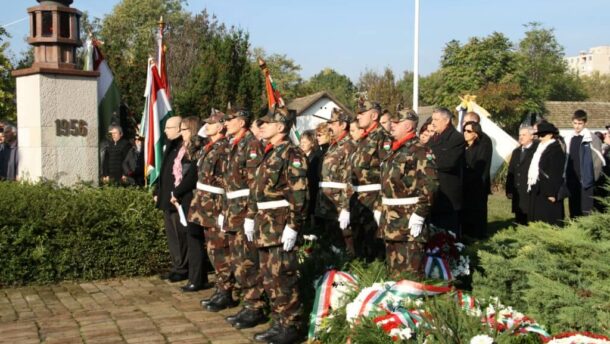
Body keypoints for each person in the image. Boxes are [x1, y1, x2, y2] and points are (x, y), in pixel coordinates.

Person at [246, 107, 307, 344]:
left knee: (283, 276)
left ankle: (292, 326)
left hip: (281, 223)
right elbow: (257, 189)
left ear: (280, 127)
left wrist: (294, 224)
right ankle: (279, 321)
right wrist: (251, 216)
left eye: (267, 123)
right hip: (265, 224)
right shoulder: (270, 152)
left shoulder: (292, 153)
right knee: (269, 277)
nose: (262, 127)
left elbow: (299, 192)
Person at [219, 107, 266, 329]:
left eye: (230, 120)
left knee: (247, 260)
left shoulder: (252, 144)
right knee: (237, 260)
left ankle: (255, 307)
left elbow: (254, 184)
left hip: (244, 209)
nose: (226, 123)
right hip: (232, 208)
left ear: (241, 121)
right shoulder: (233, 144)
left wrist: (250, 214)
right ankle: (248, 303)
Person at [377, 108, 438, 277]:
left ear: (409, 126)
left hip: (408, 222)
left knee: (410, 275)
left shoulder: (419, 151)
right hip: (391, 221)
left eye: (397, 122)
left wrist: (420, 214)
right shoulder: (394, 151)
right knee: (393, 274)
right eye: (392, 122)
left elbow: (430, 184)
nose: (392, 125)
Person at [170, 116, 211, 292]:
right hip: (185, 197)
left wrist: (177, 192)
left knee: (194, 239)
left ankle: (196, 279)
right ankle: (197, 277)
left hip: (193, 197)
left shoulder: (198, 148)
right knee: (191, 237)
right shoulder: (185, 149)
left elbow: (193, 176)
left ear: (193, 130)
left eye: (185, 129)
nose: (182, 132)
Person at [351, 100, 390, 261]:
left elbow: (387, 172)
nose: (358, 116)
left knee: (374, 248)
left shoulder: (382, 137)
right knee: (359, 248)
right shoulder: (365, 138)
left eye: (362, 113)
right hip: (359, 200)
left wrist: (381, 205)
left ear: (374, 115)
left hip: (373, 199)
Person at [315, 108, 356, 255]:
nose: (329, 127)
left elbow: (351, 178)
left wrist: (346, 207)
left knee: (345, 241)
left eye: (332, 123)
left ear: (343, 125)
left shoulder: (349, 146)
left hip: (339, 204)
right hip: (327, 204)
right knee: (331, 244)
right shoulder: (334, 145)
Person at [153, 116, 189, 283]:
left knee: (180, 235)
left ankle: (182, 268)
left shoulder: (184, 148)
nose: (165, 130)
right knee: (172, 236)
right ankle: (176, 266)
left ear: (179, 129)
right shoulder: (171, 146)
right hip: (167, 198)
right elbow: (164, 172)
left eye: (169, 127)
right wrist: (157, 191)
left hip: (178, 200)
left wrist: (176, 194)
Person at [427, 108, 465, 234]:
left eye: (436, 120)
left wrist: (430, 159)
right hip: (433, 192)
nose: (433, 122)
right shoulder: (433, 139)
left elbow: (448, 163)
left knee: (448, 235)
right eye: (432, 119)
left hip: (448, 194)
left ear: (447, 120)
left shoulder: (456, 138)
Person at [564, 110, 605, 218]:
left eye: (580, 123)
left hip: (585, 181)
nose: (577, 126)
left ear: (585, 123)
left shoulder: (592, 138)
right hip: (572, 179)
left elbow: (598, 161)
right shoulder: (569, 138)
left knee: (586, 211)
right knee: (573, 210)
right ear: (572, 122)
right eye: (575, 123)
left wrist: (591, 179)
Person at [527, 122, 566, 226]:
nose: (540, 138)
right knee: (537, 217)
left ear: (550, 135)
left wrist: (552, 193)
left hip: (549, 189)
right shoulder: (541, 147)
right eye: (539, 135)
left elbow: (556, 172)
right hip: (538, 187)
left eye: (542, 135)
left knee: (549, 219)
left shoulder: (556, 149)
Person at [461, 121, 492, 238]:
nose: (465, 133)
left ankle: (477, 235)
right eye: (464, 130)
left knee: (476, 212)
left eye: (469, 131)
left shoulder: (481, 146)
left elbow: (479, 167)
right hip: (464, 185)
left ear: (476, 133)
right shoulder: (463, 146)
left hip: (475, 184)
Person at [506, 126, 539, 225]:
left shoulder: (536, 151)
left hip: (529, 190)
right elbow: (511, 171)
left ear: (531, 136)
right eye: (520, 135)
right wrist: (509, 189)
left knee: (529, 217)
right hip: (518, 190)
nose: (521, 137)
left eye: (524, 135)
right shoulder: (516, 152)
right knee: (519, 216)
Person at [462, 112, 493, 197]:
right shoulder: (465, 138)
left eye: (465, 121)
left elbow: (480, 165)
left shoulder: (484, 140)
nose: (463, 124)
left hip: (478, 186)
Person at [300, 130, 323, 224]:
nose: (302, 144)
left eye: (305, 142)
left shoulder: (317, 157)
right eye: (301, 142)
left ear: (312, 143)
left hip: (312, 190)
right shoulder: (298, 156)